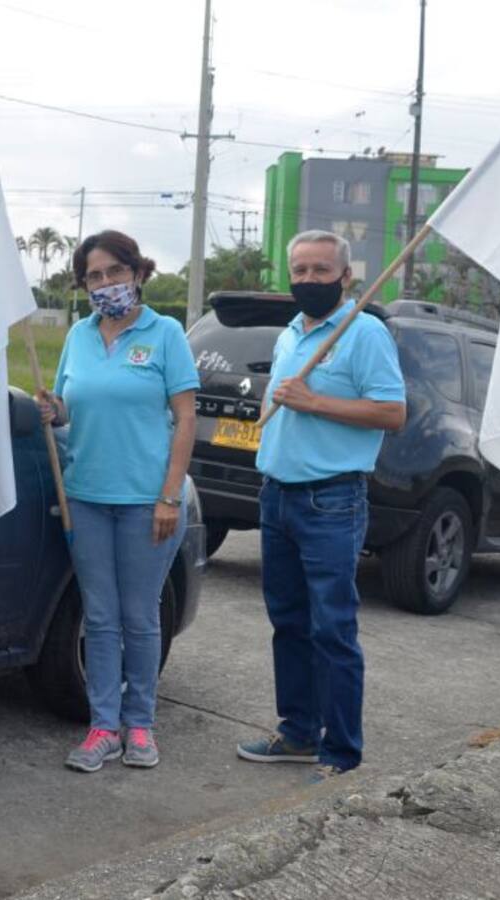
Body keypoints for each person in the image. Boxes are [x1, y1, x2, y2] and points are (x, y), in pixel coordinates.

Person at [236, 229, 405, 782]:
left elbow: (391, 413)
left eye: (321, 270)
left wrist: (316, 401)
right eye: (300, 270)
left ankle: (341, 754)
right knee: (288, 622)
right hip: (277, 495)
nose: (309, 280)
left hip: (330, 499)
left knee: (333, 628)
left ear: (345, 276)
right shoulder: (291, 332)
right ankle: (299, 733)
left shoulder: (365, 333)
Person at [36, 230, 199, 773]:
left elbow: (186, 419)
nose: (106, 284)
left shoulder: (166, 333)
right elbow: (68, 410)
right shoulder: (79, 336)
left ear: (137, 273)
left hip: (147, 502)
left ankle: (141, 725)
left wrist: (170, 496)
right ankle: (103, 727)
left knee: (141, 618)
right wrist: (51, 410)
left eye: (115, 273)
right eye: (94, 276)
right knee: (100, 618)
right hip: (85, 497)